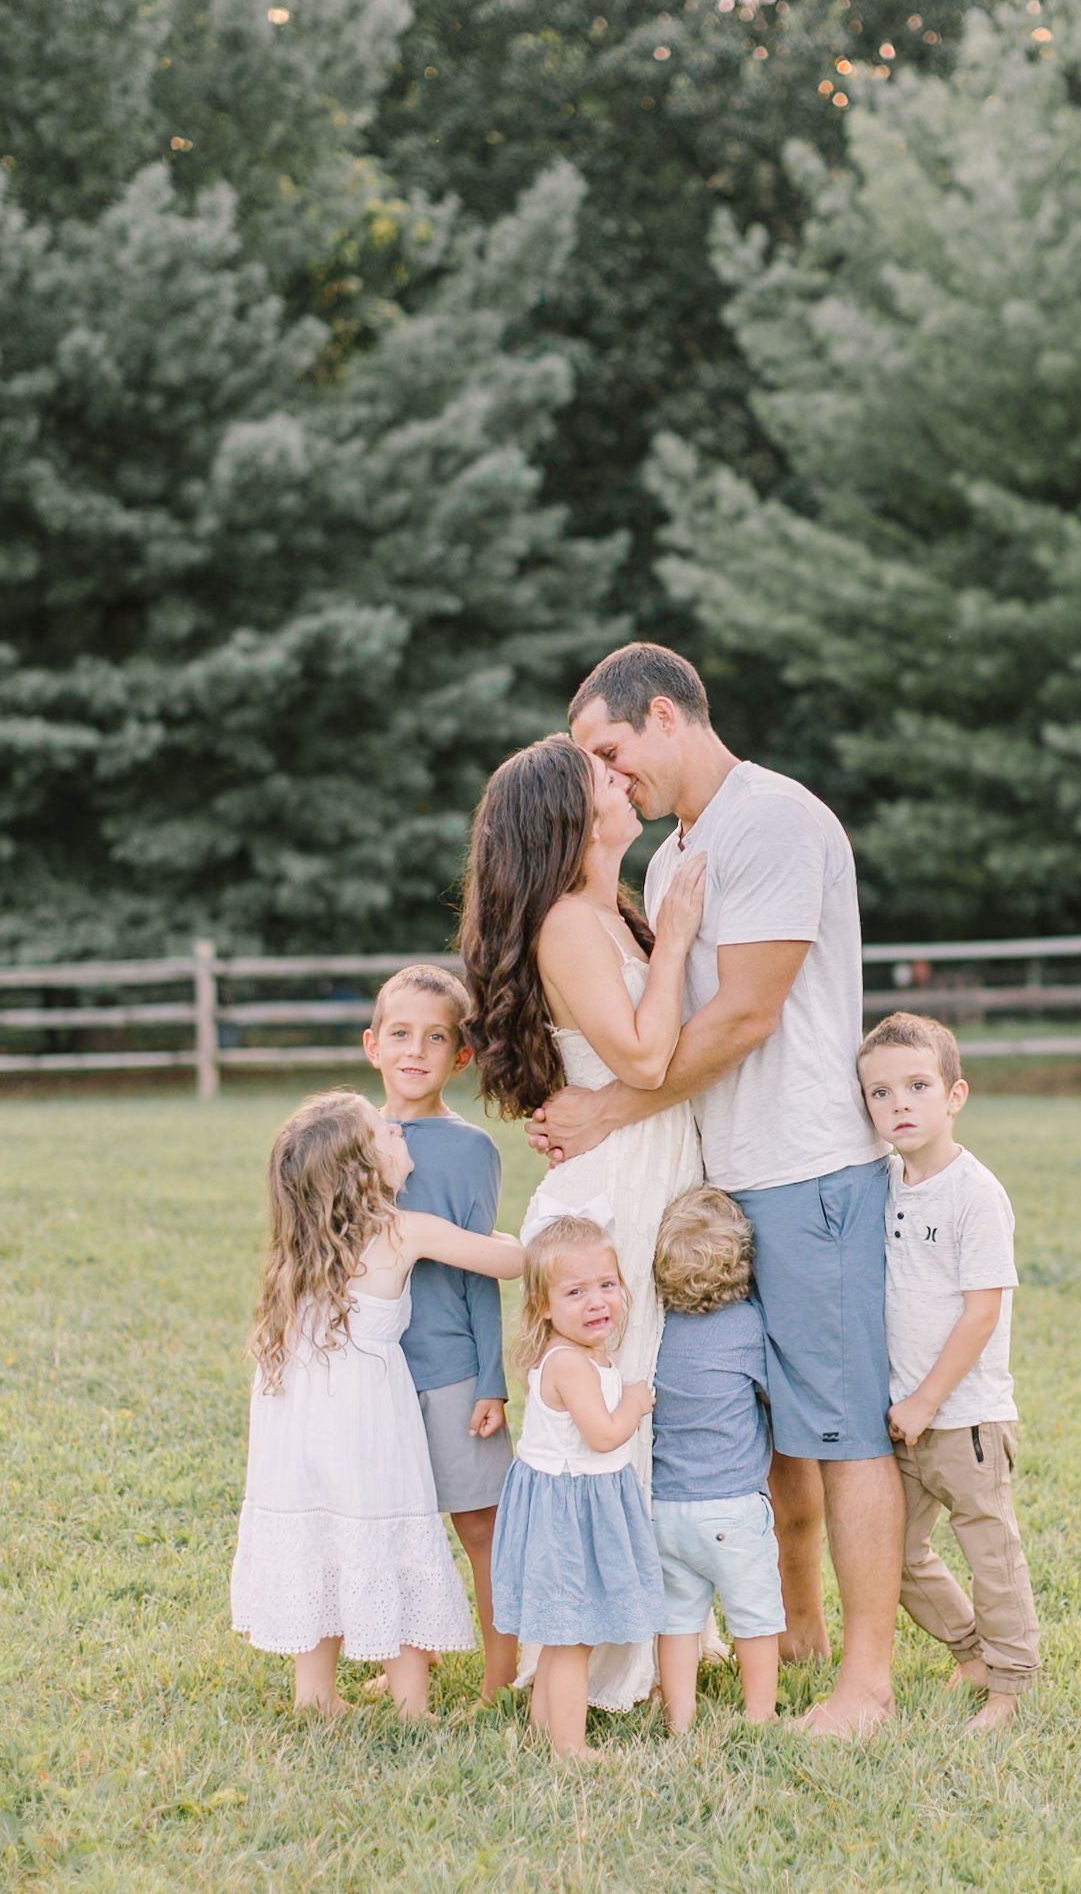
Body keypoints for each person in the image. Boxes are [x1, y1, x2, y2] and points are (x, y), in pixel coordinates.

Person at [533, 642, 902, 1737]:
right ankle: (798, 1633)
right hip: (726, 1180)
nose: (608, 777)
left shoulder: (773, 821)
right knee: (767, 1431)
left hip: (808, 1167)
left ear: (662, 716)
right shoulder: (678, 853)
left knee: (841, 1431)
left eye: (609, 750)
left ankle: (866, 1686)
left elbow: (747, 1013)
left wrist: (611, 1111)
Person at [458, 731, 706, 1711]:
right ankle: (601, 1657)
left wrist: (664, 932)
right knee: (616, 1399)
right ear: (573, 812)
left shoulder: (616, 916)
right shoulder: (569, 922)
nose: (623, 776)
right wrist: (680, 937)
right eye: (603, 774)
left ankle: (638, 1637)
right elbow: (645, 1062)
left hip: (650, 1163)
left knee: (645, 1399)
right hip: (613, 1188)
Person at [229, 1089, 524, 1717]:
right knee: (392, 1534)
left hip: (297, 1422)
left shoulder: (300, 1247)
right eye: (386, 1134)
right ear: (365, 1169)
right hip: (367, 1419)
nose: (401, 1135)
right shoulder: (402, 1230)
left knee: (322, 1538)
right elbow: (509, 1261)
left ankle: (316, 1695)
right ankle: (411, 1703)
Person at [858, 1012, 1040, 1735]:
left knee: (990, 1553)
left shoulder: (974, 1194)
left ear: (954, 1095)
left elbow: (981, 1314)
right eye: (879, 1093)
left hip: (962, 1416)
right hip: (902, 1416)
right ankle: (970, 1653)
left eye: (917, 1085)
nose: (899, 1104)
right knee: (891, 1555)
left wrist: (928, 1400)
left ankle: (1012, 1683)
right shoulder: (883, 1185)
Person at [362, 962, 517, 1699]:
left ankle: (500, 1669)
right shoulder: (349, 1140)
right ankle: (406, 1664)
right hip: (370, 1371)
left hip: (452, 1371)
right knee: (392, 1526)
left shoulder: (470, 1151)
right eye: (400, 1034)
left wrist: (492, 1380)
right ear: (372, 1045)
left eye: (435, 1038)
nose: (414, 1051)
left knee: (479, 1528)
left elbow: (481, 1269)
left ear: (459, 1057)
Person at [489, 1214, 667, 1759]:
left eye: (607, 1286)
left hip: (574, 1504)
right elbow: (605, 1434)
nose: (597, 1303)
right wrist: (635, 1402)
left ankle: (545, 1727)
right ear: (543, 1305)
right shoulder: (569, 1364)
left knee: (569, 1632)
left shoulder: (587, 1355)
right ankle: (570, 1747)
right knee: (571, 1639)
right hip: (568, 1514)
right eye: (575, 1292)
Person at [650, 1187, 785, 1732]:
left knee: (679, 1619)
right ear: (744, 1263)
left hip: (665, 1509)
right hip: (731, 1508)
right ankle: (759, 1715)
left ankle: (679, 1719)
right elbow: (773, 1392)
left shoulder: (657, 1332)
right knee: (754, 1616)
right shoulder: (747, 1327)